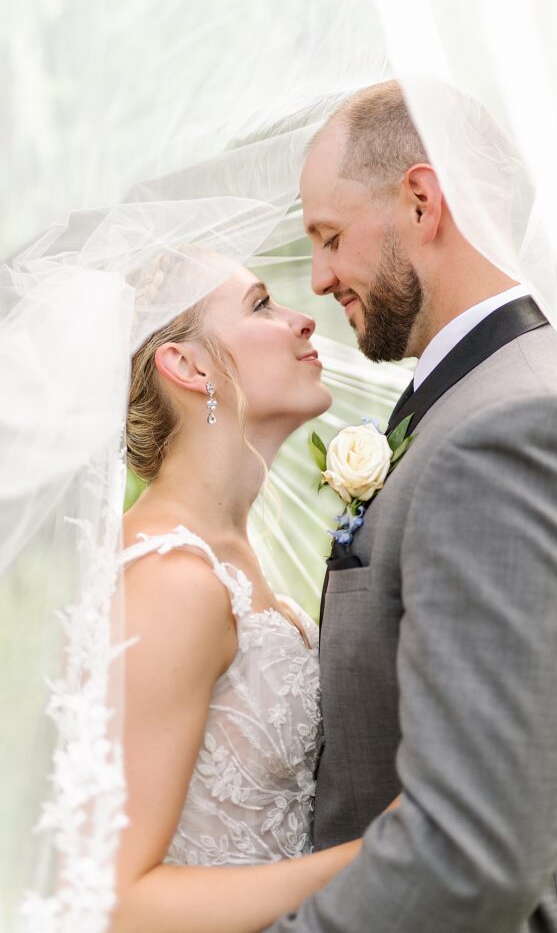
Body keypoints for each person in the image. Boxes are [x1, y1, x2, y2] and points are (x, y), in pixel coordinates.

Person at [265, 81, 557, 932]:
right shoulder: (477, 399)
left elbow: (471, 852)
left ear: (419, 200)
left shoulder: (516, 430)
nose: (320, 277)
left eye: (330, 238)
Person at [109, 264, 365, 933]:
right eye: (261, 306)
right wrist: (377, 858)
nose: (303, 319)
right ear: (188, 366)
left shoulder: (232, 553)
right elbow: (120, 902)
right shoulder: (172, 581)